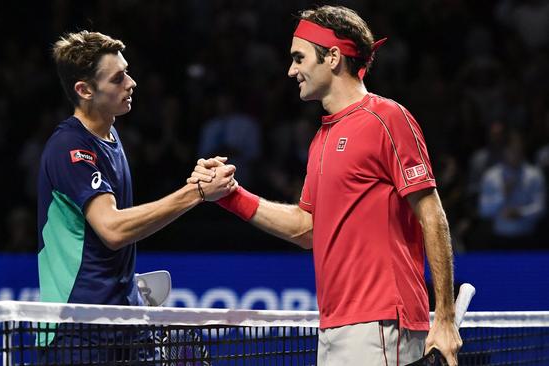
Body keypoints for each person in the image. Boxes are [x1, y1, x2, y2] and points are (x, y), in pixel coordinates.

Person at [190, 5, 462, 365]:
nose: (291, 71)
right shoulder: (321, 138)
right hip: (334, 327)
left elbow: (432, 215)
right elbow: (307, 228)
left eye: (299, 58)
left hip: (382, 323)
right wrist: (232, 196)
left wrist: (443, 318)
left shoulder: (387, 118)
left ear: (332, 57)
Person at [37, 30, 236, 363]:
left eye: (127, 72)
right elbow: (113, 230)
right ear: (84, 90)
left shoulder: (110, 134)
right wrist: (196, 192)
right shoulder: (70, 147)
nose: (131, 83)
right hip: (77, 333)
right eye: (117, 78)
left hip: (124, 325)